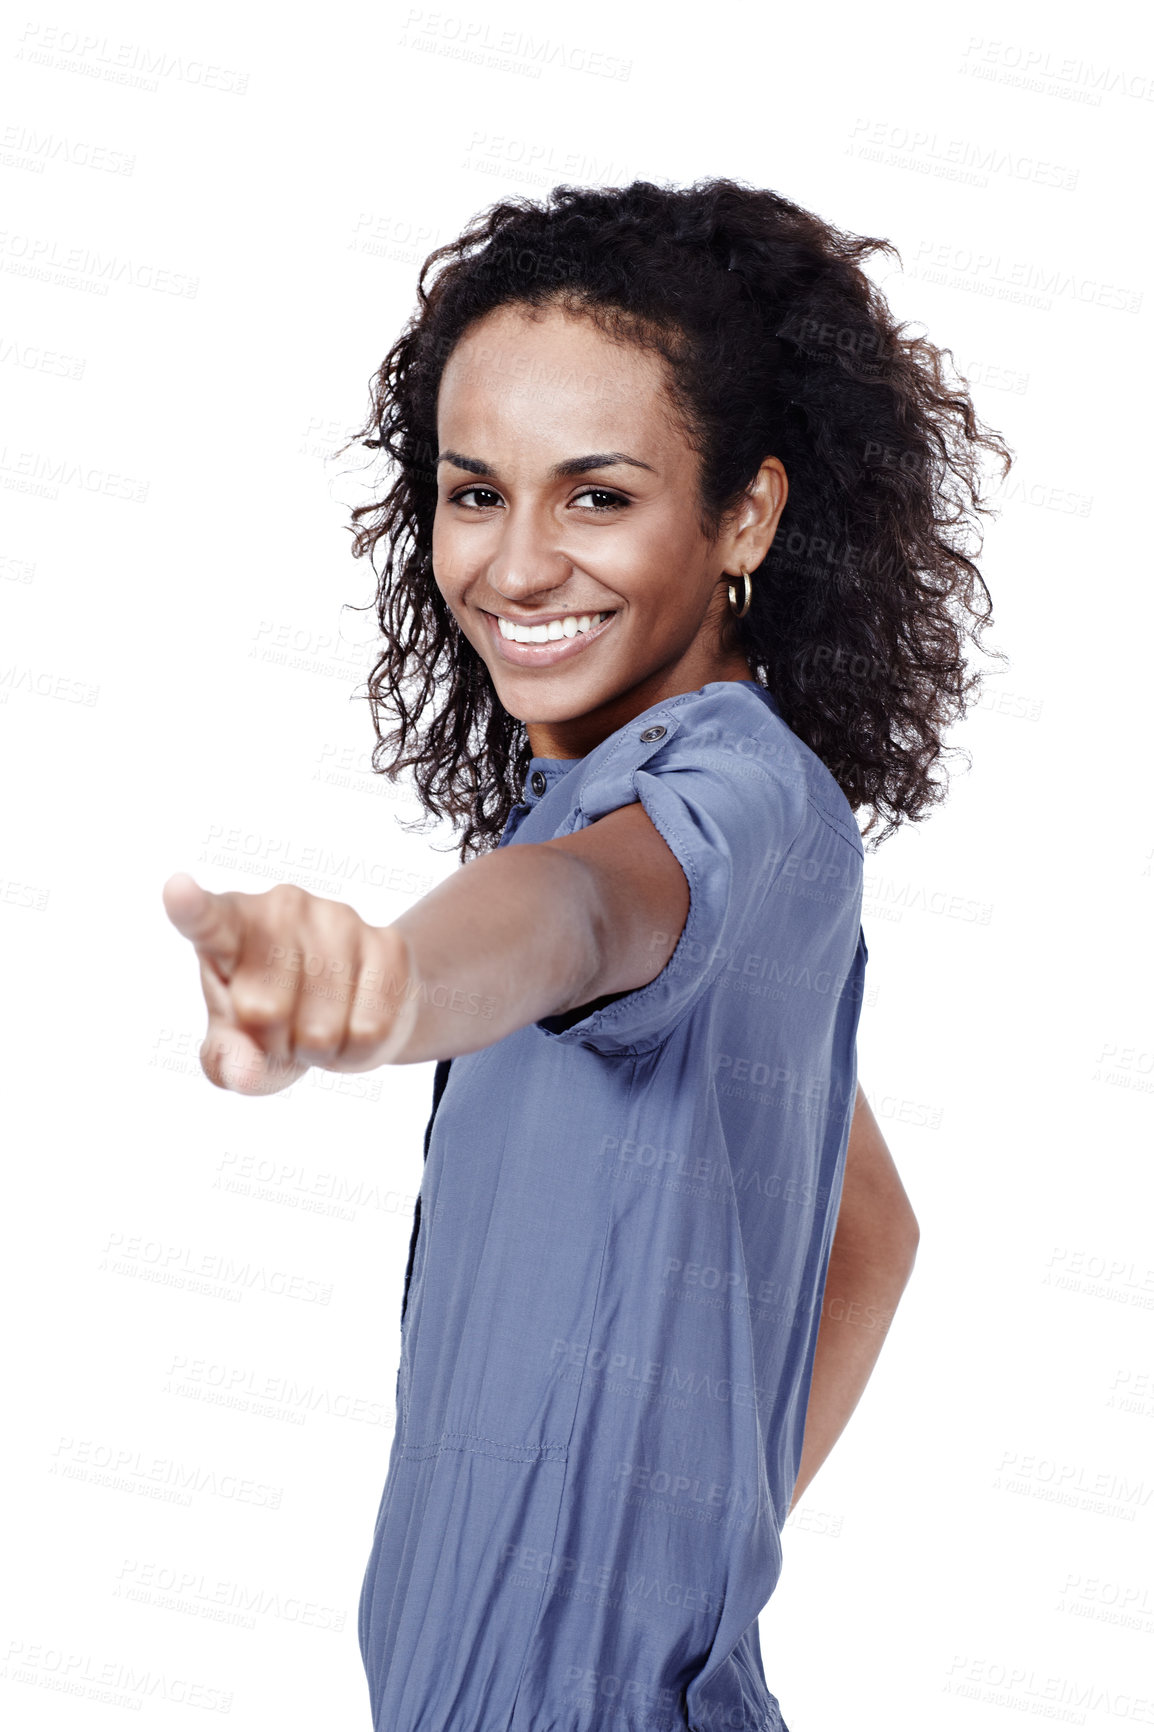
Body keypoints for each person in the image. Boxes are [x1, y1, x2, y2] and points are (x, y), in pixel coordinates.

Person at [163, 178, 1011, 1732]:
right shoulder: (636, 795)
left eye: (598, 495)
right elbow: (864, 1234)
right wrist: (680, 1568)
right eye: (475, 492)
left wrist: (392, 985)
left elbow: (572, 918)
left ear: (743, 513)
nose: (516, 565)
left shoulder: (729, 804)